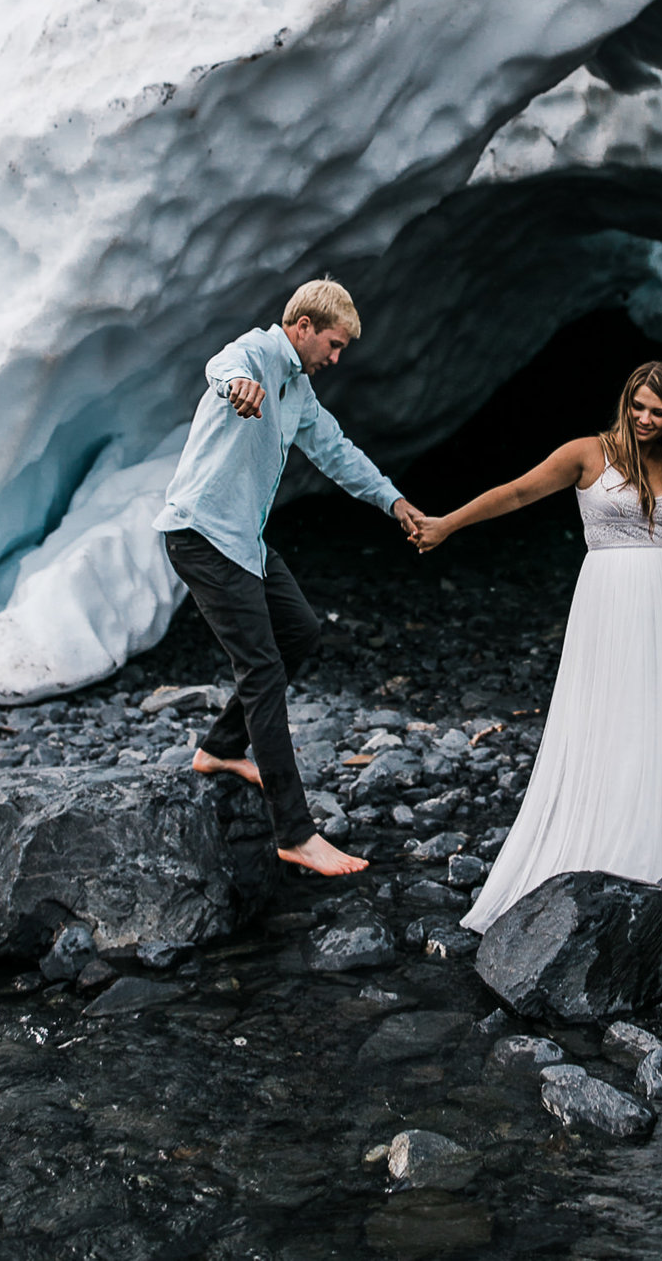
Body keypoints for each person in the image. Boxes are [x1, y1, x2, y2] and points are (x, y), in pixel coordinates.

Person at [411, 360, 662, 926]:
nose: (644, 419)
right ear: (625, 401)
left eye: (657, 412)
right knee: (607, 719)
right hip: (607, 601)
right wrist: (447, 524)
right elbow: (517, 493)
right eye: (637, 406)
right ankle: (601, 845)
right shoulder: (588, 452)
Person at [154, 278, 426, 878]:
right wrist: (237, 388)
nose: (336, 358)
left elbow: (337, 452)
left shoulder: (298, 390)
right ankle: (295, 833)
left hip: (242, 540)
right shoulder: (252, 355)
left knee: (300, 633)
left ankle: (219, 749)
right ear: (301, 326)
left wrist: (393, 502)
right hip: (201, 534)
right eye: (332, 344)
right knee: (262, 668)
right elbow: (220, 367)